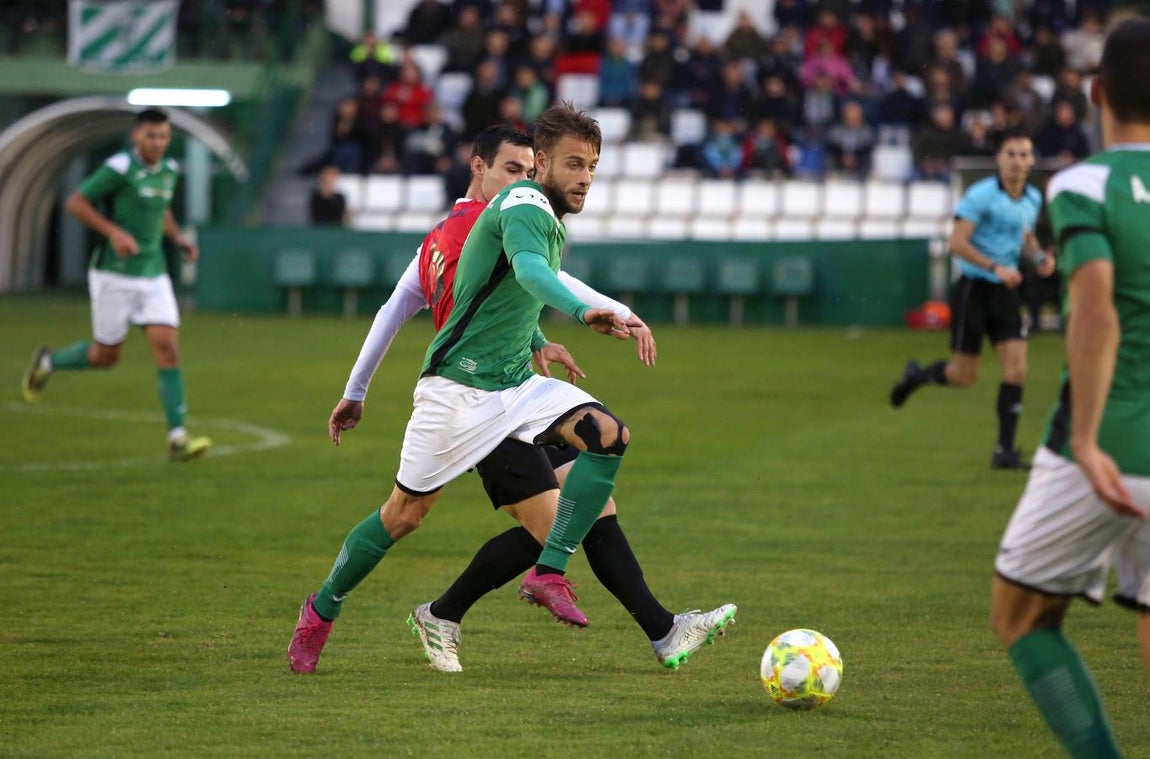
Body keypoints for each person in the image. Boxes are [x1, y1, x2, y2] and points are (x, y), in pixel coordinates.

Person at [288, 104, 727, 671]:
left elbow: (503, 292)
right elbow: (530, 275)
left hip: (515, 388)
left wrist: (547, 334)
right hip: (456, 392)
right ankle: (327, 609)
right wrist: (596, 311)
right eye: (570, 163)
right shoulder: (515, 207)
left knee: (606, 440)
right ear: (496, 167)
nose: (584, 177)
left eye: (591, 166)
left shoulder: (503, 221)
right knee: (404, 516)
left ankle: (575, 588)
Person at [989, 19, 1150, 758]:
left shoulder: (1086, 183)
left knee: (1022, 614)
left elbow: (1094, 309)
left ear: (1095, 91)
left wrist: (1084, 438)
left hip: (1115, 439)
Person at [22, 108, 211, 462]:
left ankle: (178, 437)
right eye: (151, 136)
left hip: (153, 274)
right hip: (114, 275)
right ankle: (50, 361)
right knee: (106, 356)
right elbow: (76, 202)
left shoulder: (169, 171)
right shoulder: (120, 168)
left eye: (163, 136)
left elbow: (163, 209)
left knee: (168, 348)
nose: (158, 142)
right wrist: (114, 232)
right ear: (136, 137)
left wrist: (178, 240)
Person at [890, 128, 1056, 470]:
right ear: (998, 159)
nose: (1017, 161)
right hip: (975, 287)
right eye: (1010, 154)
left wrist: (1039, 257)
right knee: (964, 375)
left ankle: (1004, 452)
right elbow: (956, 243)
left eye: (1024, 155)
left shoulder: (1032, 197)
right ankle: (917, 377)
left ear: (1032, 160)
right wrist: (995, 267)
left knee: (1017, 369)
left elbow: (1024, 234)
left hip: (1005, 291)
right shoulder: (980, 195)